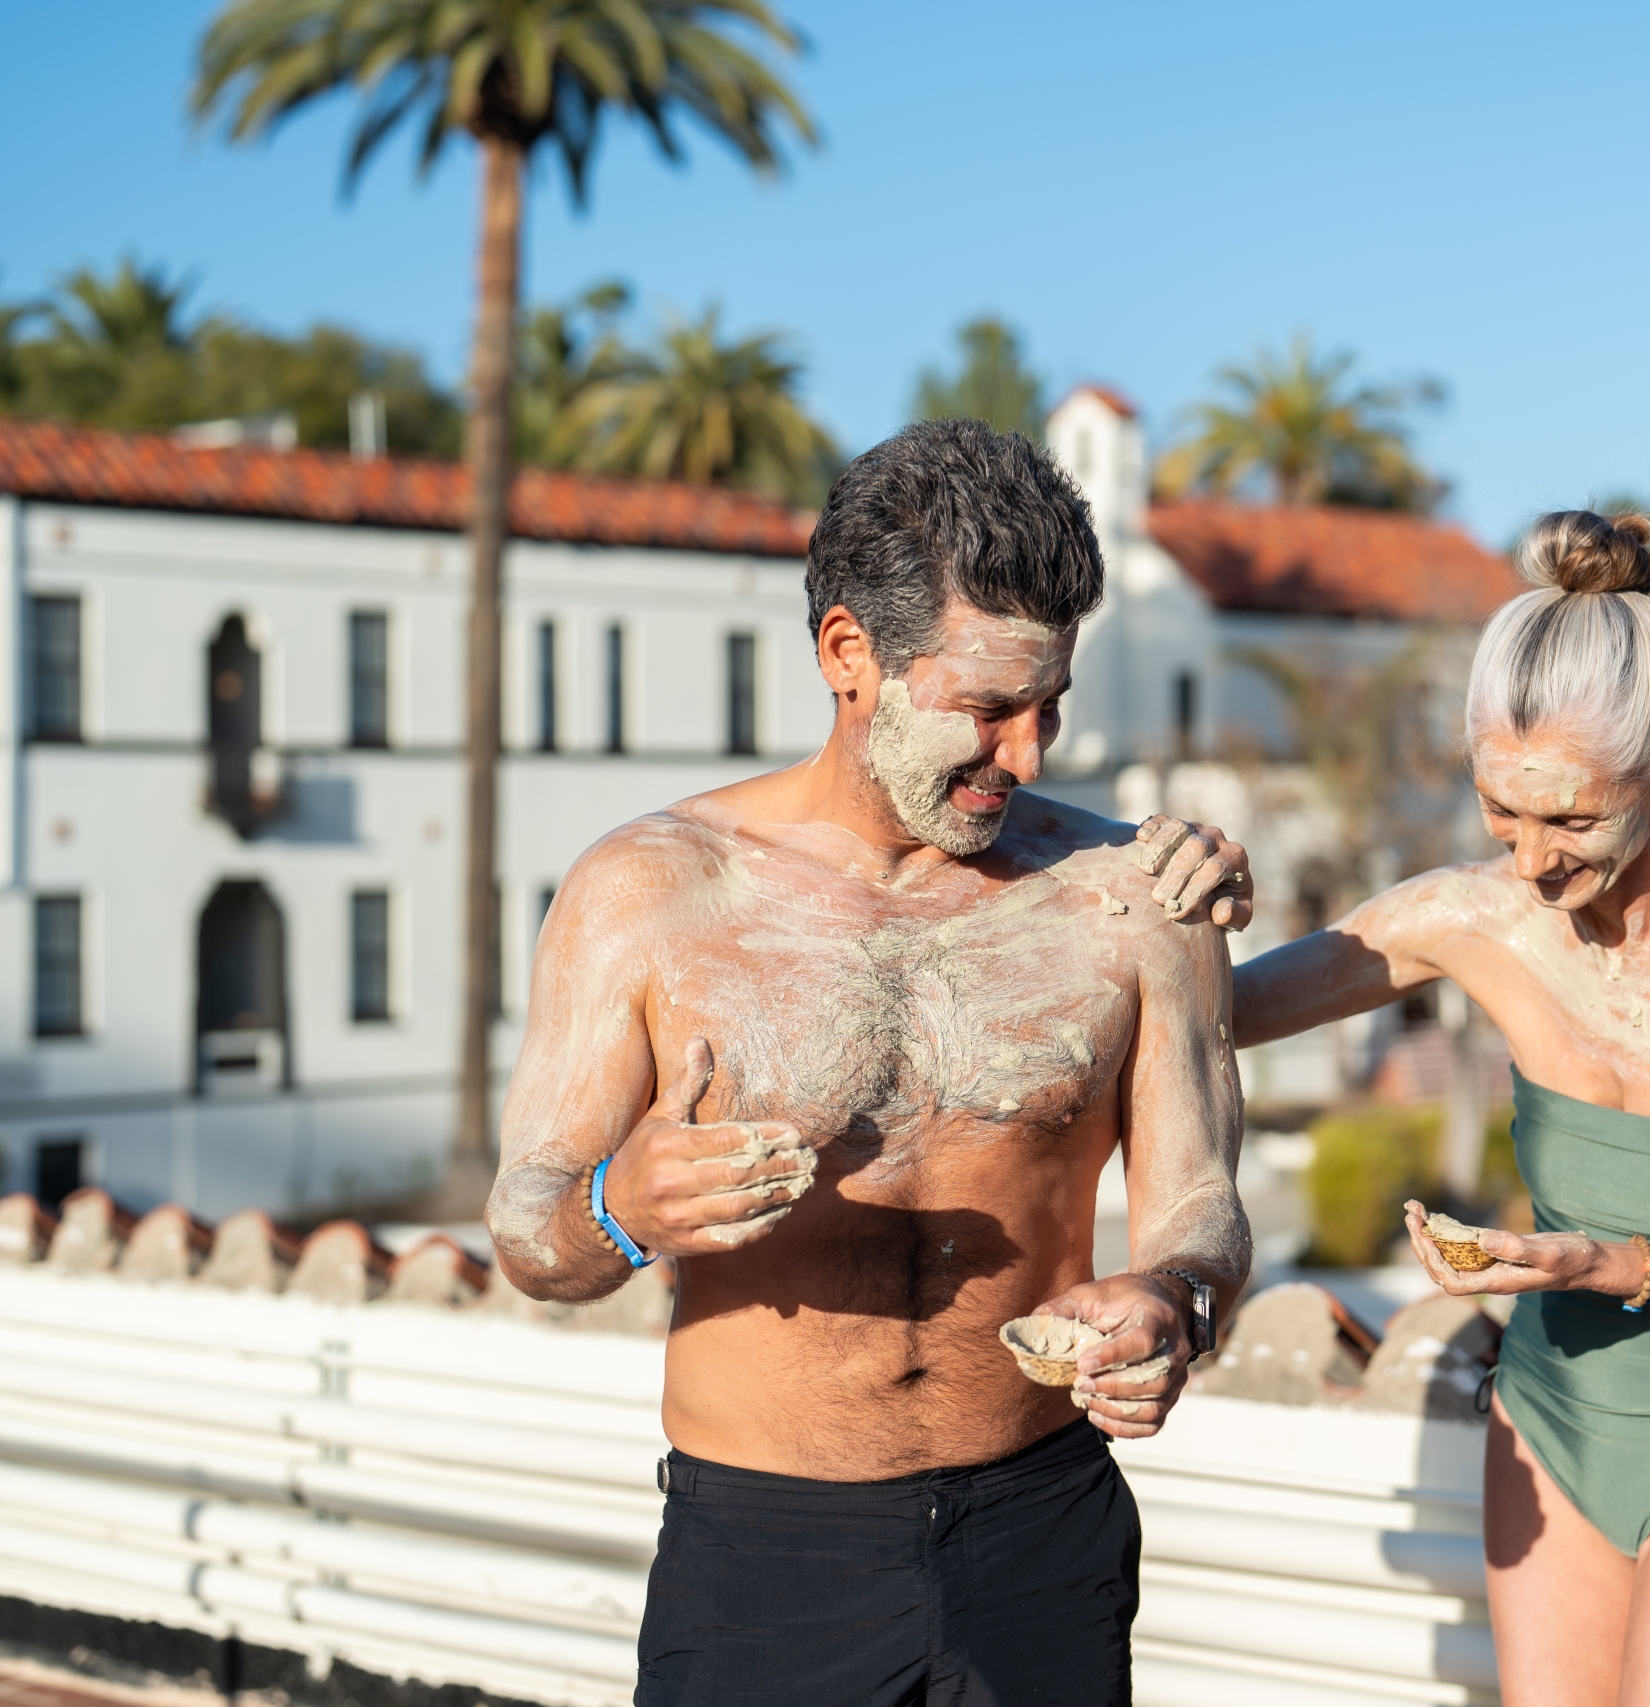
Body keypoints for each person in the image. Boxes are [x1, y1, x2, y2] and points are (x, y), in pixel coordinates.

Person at [487, 420, 1253, 1707]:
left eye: (1051, 705)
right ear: (851, 655)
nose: (1031, 754)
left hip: (1042, 1532)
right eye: (989, 708)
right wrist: (620, 1210)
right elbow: (526, 1231)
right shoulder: (650, 893)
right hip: (766, 1557)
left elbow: (1204, 1204)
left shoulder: (1135, 897)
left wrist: (1178, 1299)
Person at [1226, 509, 1650, 1707]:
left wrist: (1611, 1264)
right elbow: (1209, 1013)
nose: (1530, 860)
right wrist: (1162, 887)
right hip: (1545, 1409)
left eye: (1574, 818)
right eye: (1501, 808)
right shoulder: (1475, 916)